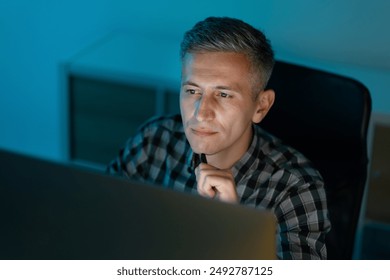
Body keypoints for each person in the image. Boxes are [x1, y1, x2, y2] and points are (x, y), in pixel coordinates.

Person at [107, 16, 331, 259]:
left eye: (223, 95)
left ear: (261, 106)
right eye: (192, 91)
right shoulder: (155, 140)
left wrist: (233, 225)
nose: (201, 113)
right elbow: (100, 216)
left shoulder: (295, 186)